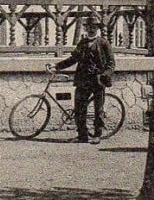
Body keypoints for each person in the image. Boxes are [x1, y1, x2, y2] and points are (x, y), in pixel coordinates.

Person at [46, 14, 116, 144]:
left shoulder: (103, 43)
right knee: (79, 108)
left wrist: (105, 74)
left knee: (98, 108)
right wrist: (57, 66)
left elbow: (111, 63)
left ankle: (97, 135)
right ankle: (82, 135)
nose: (91, 29)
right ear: (86, 28)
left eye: (94, 27)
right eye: (89, 27)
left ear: (97, 28)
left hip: (97, 80)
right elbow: (73, 59)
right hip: (83, 80)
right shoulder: (82, 43)